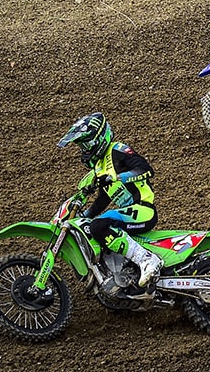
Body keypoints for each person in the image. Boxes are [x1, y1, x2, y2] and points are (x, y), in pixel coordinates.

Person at [56, 113, 162, 288]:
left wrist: (116, 177)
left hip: (143, 209)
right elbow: (103, 199)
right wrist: (84, 215)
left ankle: (147, 259)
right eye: (82, 147)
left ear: (99, 138)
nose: (84, 150)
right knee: (92, 227)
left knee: (99, 226)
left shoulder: (117, 149)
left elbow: (146, 169)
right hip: (129, 212)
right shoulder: (99, 167)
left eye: (86, 145)